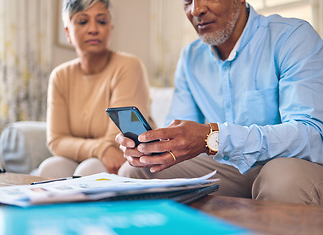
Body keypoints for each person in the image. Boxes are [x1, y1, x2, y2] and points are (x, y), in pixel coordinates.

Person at [116, 0, 323, 205]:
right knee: (136, 172)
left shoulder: (292, 37)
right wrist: (153, 150)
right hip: (231, 169)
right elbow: (179, 135)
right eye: (187, 1)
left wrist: (214, 137)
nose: (196, 10)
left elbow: (311, 136)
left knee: (280, 178)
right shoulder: (190, 58)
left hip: (293, 163)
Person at [38, 0, 154, 178]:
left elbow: (118, 140)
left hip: (129, 156)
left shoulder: (129, 66)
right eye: (83, 21)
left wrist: (102, 149)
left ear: (111, 29)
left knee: (90, 170)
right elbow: (56, 140)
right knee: (50, 168)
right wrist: (99, 148)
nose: (93, 29)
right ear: (68, 32)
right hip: (93, 155)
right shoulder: (60, 76)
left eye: (101, 21)